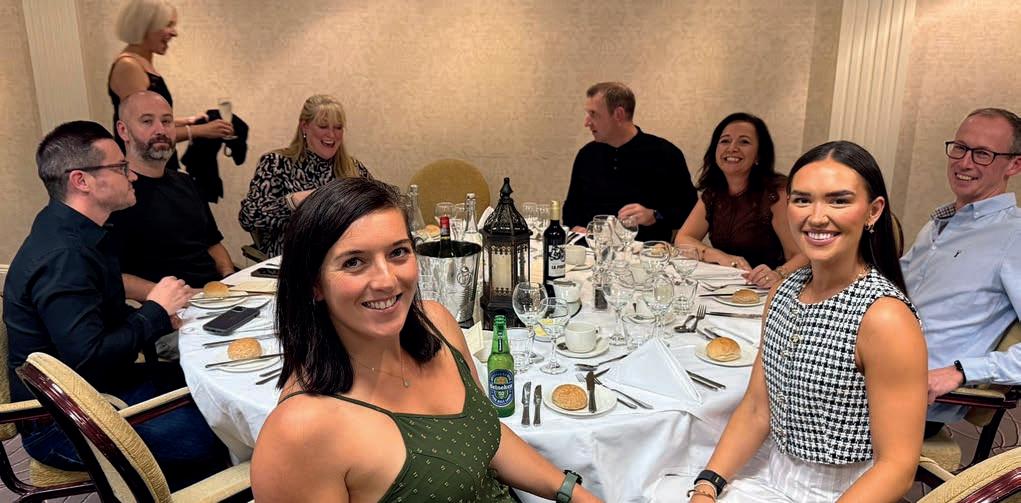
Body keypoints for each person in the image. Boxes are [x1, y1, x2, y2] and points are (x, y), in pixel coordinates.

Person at [250, 177, 601, 503]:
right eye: (354, 262)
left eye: (397, 252)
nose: (387, 280)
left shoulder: (437, 324)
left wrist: (573, 493)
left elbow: (483, 435)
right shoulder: (301, 430)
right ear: (313, 284)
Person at [689, 141, 926, 502]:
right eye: (802, 200)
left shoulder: (885, 317)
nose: (816, 217)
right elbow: (757, 408)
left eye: (838, 201)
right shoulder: (783, 291)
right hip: (772, 473)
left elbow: (896, 468)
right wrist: (707, 486)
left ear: (873, 211)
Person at [2, 121, 228, 490]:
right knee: (216, 433)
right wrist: (155, 311)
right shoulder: (65, 256)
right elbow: (87, 358)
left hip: (98, 388)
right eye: (120, 167)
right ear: (82, 181)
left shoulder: (79, 231)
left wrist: (161, 317)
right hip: (63, 422)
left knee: (211, 388)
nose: (132, 176)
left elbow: (98, 322)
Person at [899, 108, 1021, 436]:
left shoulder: (1015, 236)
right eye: (960, 148)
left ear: (1014, 165)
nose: (965, 163)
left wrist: (960, 372)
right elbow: (890, 290)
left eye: (983, 154)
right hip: (871, 371)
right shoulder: (938, 226)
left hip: (908, 401)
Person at [108, 91, 235, 303]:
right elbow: (112, 275)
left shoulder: (186, 182)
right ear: (123, 131)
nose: (160, 130)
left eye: (167, 121)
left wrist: (229, 278)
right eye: (147, 121)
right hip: (166, 308)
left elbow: (213, 244)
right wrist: (184, 296)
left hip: (214, 298)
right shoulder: (115, 194)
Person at [674, 113, 807, 289]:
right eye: (725, 141)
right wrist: (720, 256)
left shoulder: (776, 193)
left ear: (759, 154)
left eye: (744, 142)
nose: (732, 148)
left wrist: (778, 274)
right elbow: (683, 239)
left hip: (767, 289)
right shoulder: (714, 192)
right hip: (726, 287)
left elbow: (802, 255)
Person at [239, 94, 372, 257]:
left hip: (349, 256)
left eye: (338, 128)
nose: (332, 135)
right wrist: (291, 202)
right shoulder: (277, 163)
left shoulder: (353, 168)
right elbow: (248, 218)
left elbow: (379, 209)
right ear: (304, 127)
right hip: (295, 259)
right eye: (323, 126)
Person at [107, 0, 233, 171]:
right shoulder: (129, 67)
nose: (174, 33)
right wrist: (201, 130)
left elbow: (152, 120)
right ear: (145, 26)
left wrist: (188, 121)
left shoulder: (141, 63)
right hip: (143, 172)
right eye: (168, 25)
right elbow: (144, 131)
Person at [562, 82, 696, 242]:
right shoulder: (587, 155)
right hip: (590, 251)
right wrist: (576, 228)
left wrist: (654, 215)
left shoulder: (665, 154)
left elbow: (689, 211)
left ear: (618, 114)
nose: (586, 122)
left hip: (645, 252)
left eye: (594, 114)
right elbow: (571, 209)